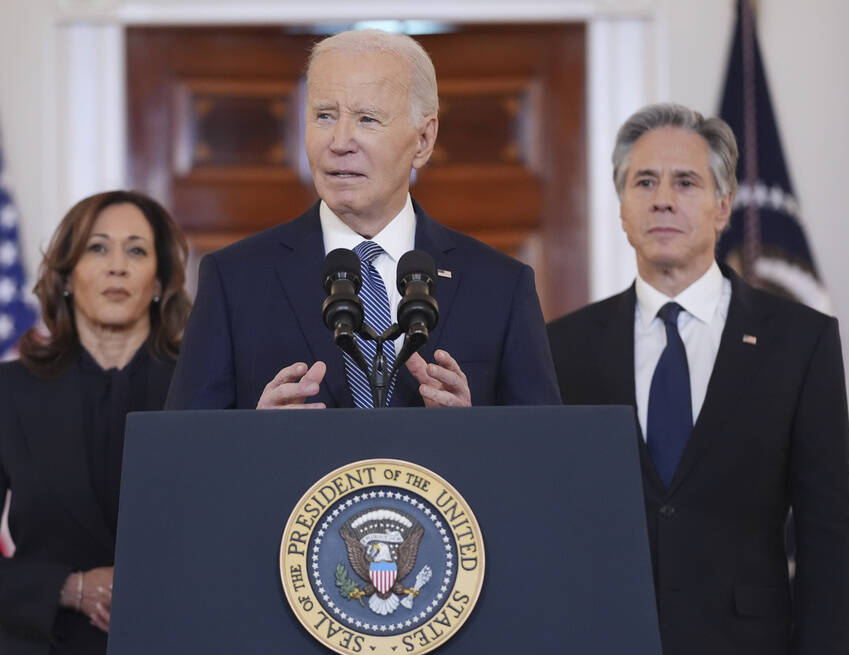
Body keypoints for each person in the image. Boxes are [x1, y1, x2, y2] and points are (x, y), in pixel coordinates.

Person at [547, 104, 849, 655]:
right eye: (644, 182)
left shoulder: (799, 342)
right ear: (622, 208)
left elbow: (829, 541)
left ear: (722, 206)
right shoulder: (562, 348)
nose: (663, 199)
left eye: (685, 182)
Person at [165, 29, 560, 410]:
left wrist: (471, 430)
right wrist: (254, 436)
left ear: (423, 141)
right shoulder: (234, 280)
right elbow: (182, 458)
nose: (338, 142)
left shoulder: (500, 286)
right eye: (323, 115)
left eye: (367, 119)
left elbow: (543, 458)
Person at [0, 190, 191, 655]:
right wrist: (70, 588)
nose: (117, 266)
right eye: (98, 248)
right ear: (67, 276)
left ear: (158, 282)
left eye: (136, 250)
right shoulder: (5, 392)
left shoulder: (201, 388)